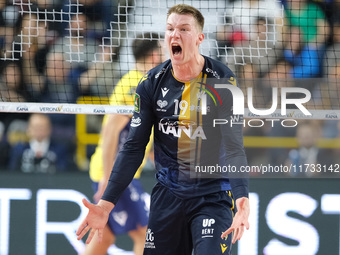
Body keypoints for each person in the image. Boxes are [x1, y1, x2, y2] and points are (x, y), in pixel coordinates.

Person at [76, 4, 250, 255]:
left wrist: (242, 197)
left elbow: (235, 148)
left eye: (184, 29)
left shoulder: (223, 81)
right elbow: (133, 147)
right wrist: (105, 204)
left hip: (212, 196)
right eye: (170, 29)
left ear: (200, 38)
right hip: (168, 196)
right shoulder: (149, 83)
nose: (175, 35)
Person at [81, 33, 164, 255]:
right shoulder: (134, 84)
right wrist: (108, 178)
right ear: (155, 55)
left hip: (122, 173)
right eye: (163, 52)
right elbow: (110, 133)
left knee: (105, 237)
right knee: (144, 234)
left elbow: (135, 133)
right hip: (117, 174)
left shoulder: (143, 83)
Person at [8, 113, 72, 173]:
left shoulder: (60, 149)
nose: (40, 130)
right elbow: (13, 172)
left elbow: (63, 172)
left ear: (50, 129)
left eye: (43, 127)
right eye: (36, 127)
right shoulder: (18, 149)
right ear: (29, 129)